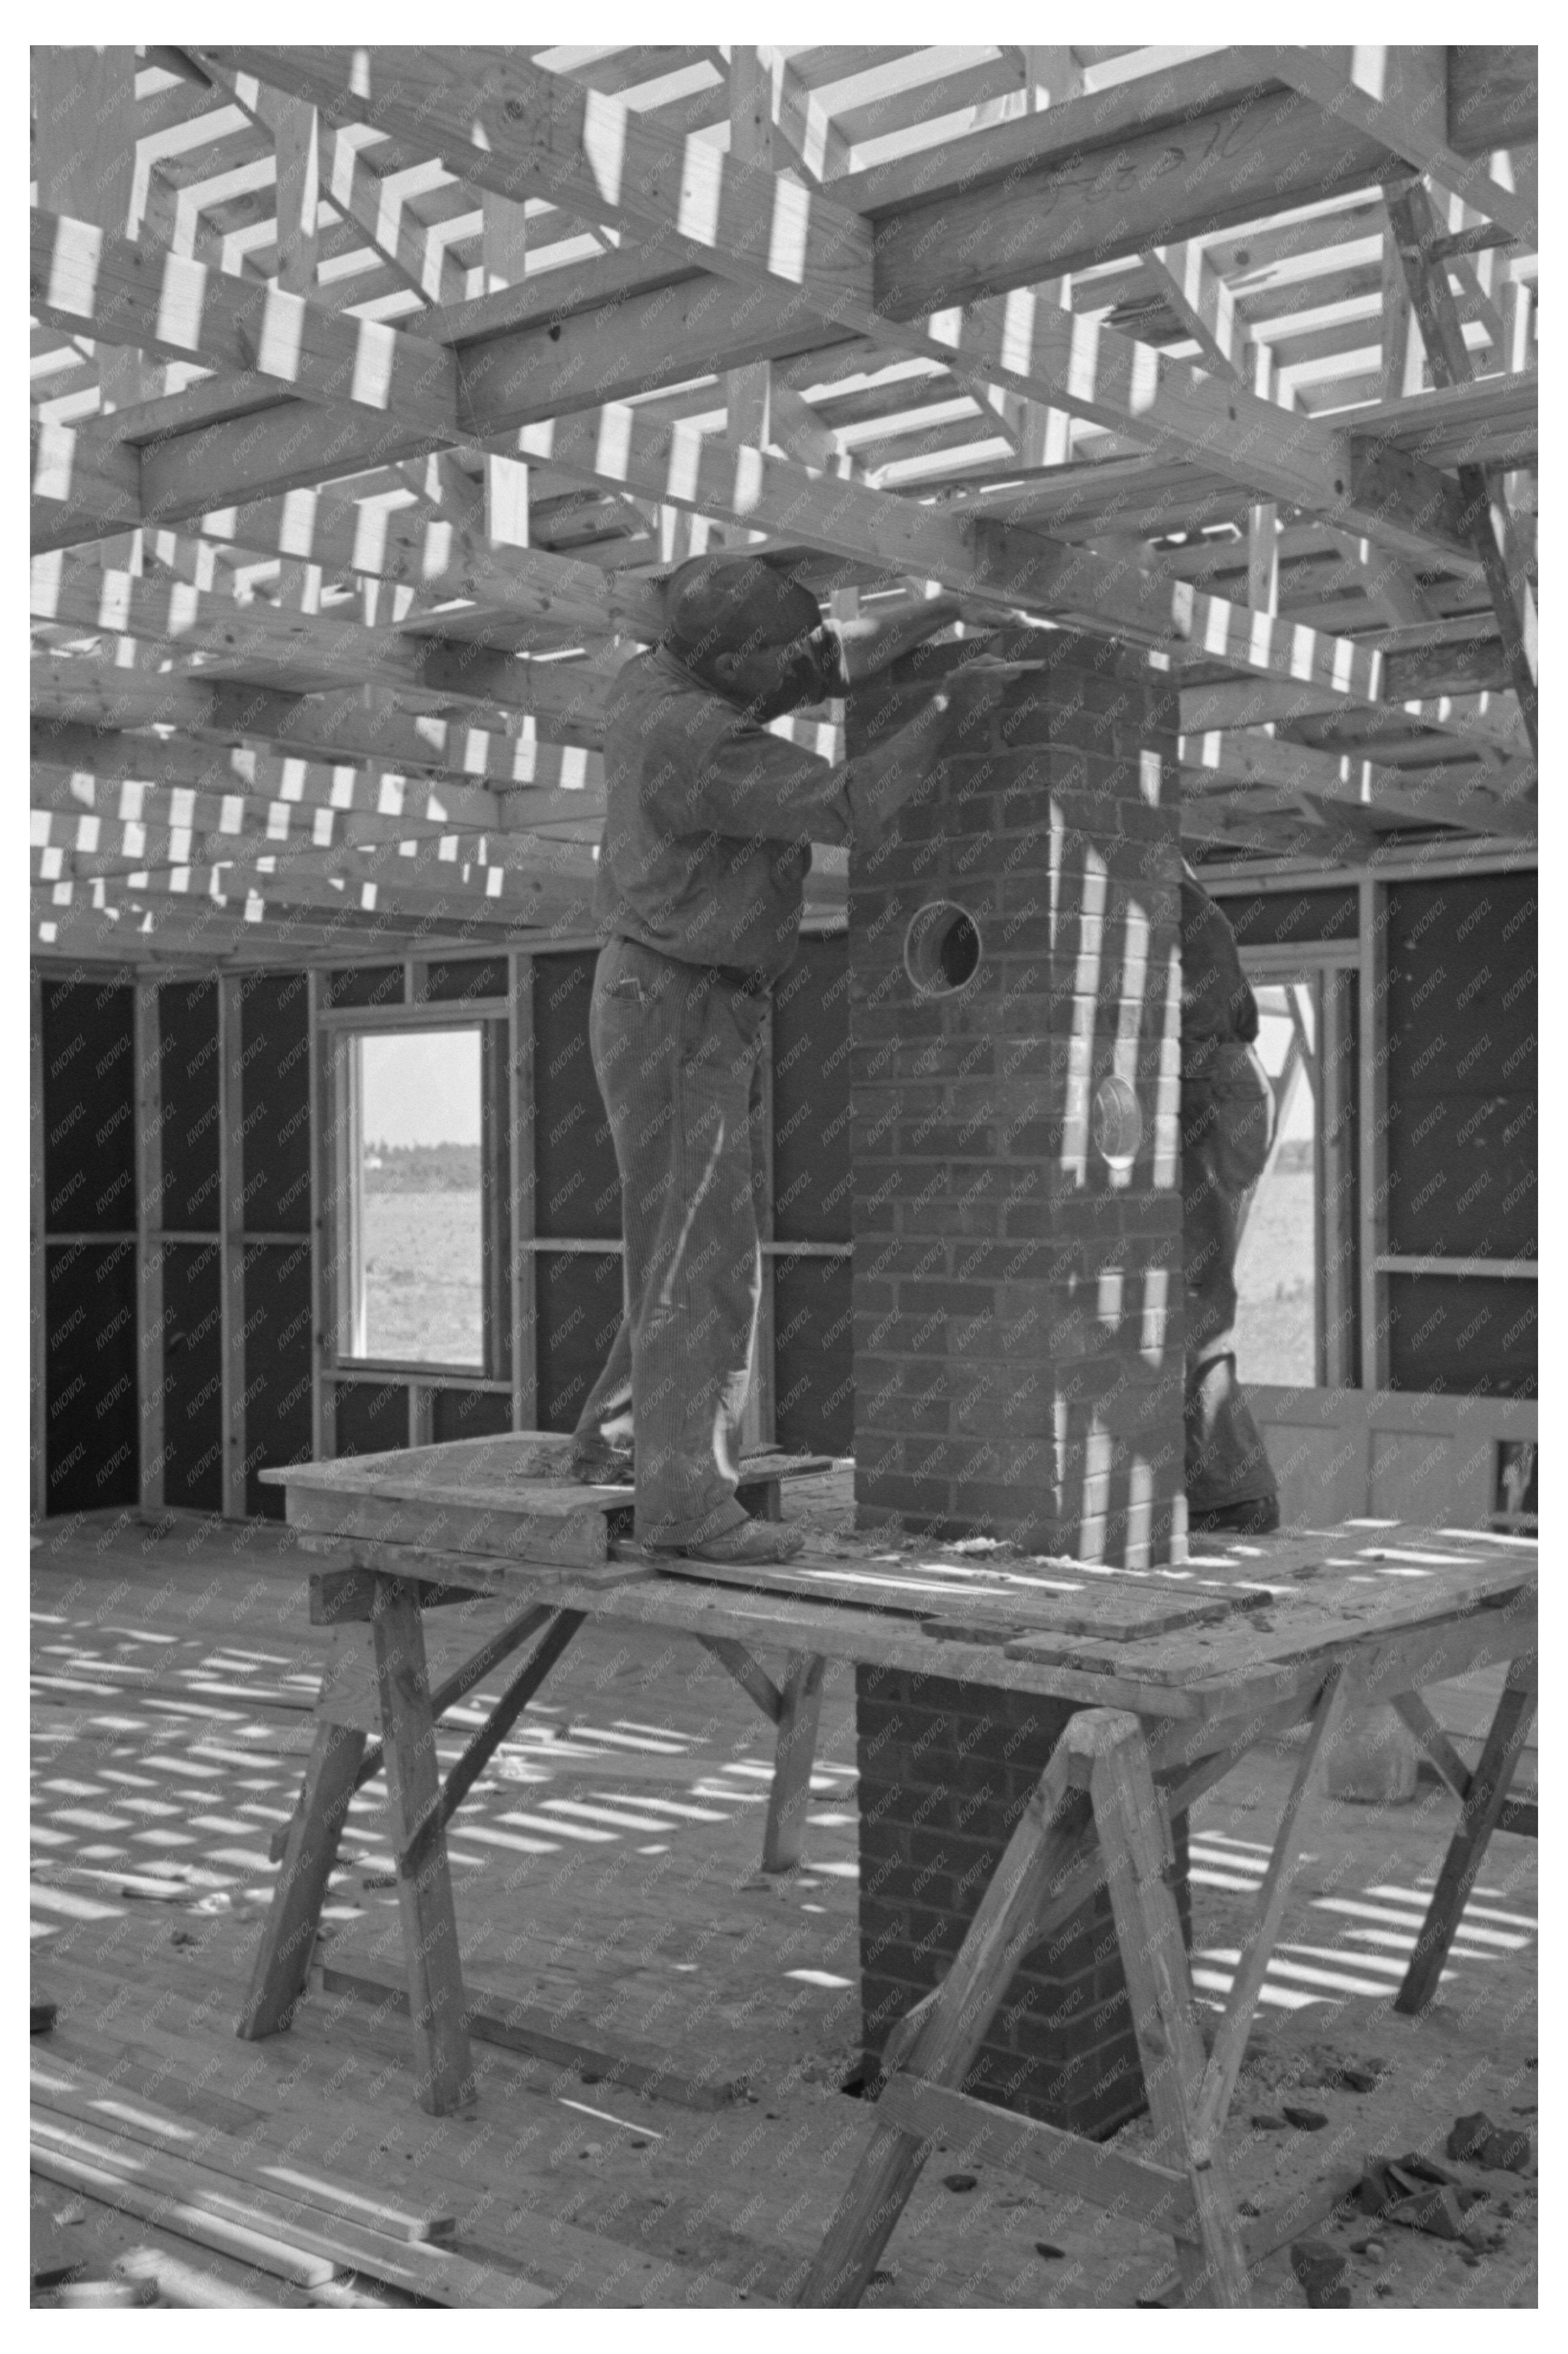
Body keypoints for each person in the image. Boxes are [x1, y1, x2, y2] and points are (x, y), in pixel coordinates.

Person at [569, 556, 965, 1564]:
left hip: (668, 994)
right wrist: (957, 714)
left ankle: (618, 1443)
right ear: (730, 658)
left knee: (676, 1239)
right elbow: (848, 805)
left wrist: (943, 603)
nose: (794, 663)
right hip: (679, 1003)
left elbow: (814, 665)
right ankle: (686, 1507)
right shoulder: (693, 733)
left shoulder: (663, 675)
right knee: (704, 1259)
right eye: (775, 652)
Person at [1178, 861, 1281, 1535]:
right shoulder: (1175, 892)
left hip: (1220, 1093)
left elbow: (1207, 1012)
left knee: (1195, 1299)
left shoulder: (1171, 896)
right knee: (1190, 1296)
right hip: (1223, 1091)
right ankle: (1221, 1490)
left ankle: (1235, 1496)